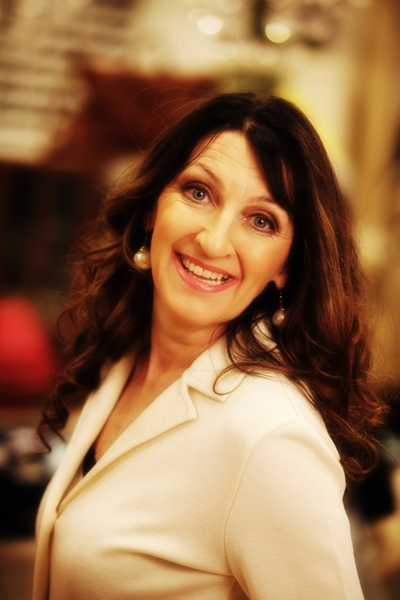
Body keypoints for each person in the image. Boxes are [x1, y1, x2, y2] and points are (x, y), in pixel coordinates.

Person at [33, 92, 387, 600]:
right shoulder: (126, 360)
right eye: (198, 192)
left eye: (261, 220)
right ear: (153, 206)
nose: (214, 241)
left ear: (287, 267)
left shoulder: (272, 438)